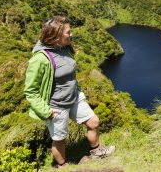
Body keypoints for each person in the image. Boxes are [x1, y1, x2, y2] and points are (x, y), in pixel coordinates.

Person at [24, 16, 115, 168]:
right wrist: (46, 111)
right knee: (60, 139)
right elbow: (30, 91)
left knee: (93, 122)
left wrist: (77, 91)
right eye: (68, 32)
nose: (71, 34)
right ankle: (63, 166)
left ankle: (97, 152)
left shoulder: (64, 48)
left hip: (74, 98)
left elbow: (69, 74)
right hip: (57, 106)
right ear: (56, 35)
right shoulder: (40, 59)